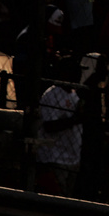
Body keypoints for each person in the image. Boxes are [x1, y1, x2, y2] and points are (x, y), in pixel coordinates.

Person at [35, 60, 85, 197]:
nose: (79, 75)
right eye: (75, 72)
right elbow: (50, 126)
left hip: (72, 158)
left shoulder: (74, 94)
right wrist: (75, 119)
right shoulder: (52, 94)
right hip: (55, 157)